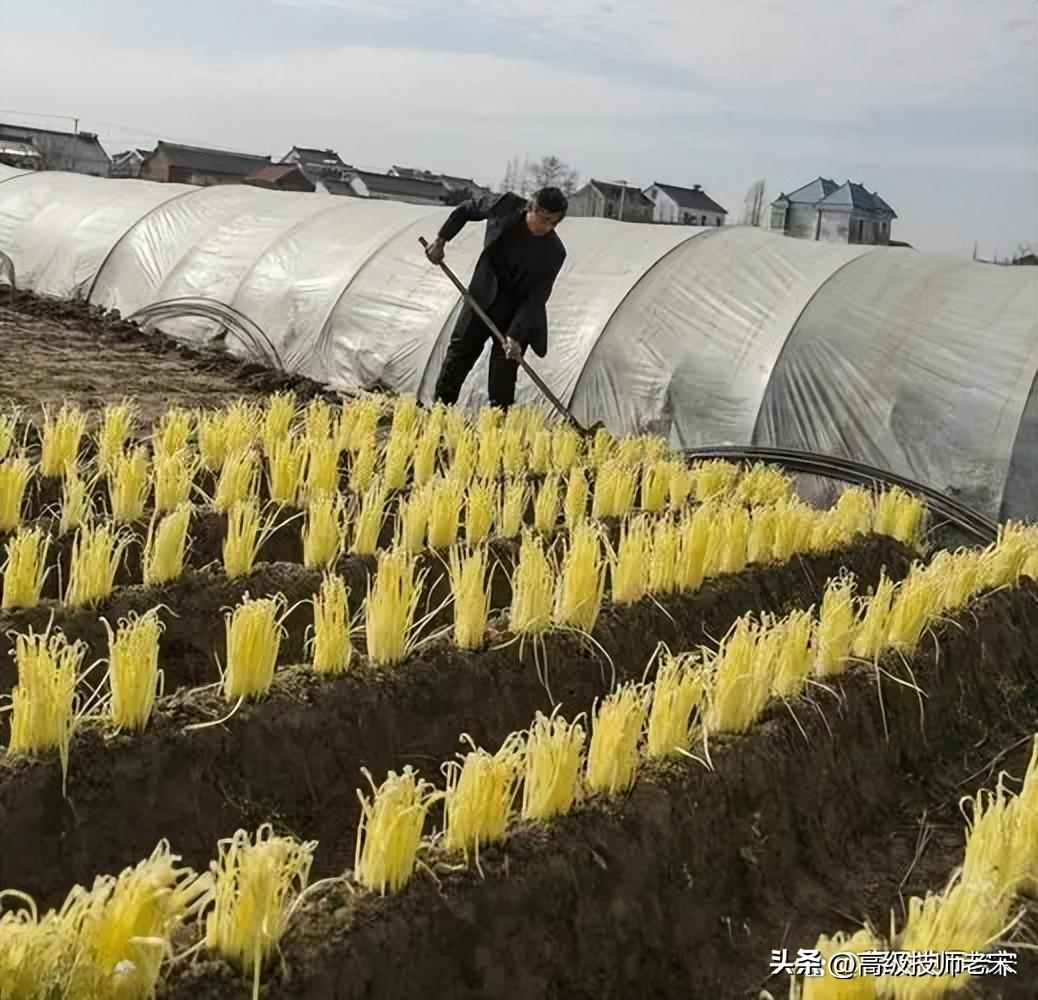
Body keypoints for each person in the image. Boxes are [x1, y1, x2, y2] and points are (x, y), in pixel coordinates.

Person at [424, 186, 567, 411]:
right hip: (483, 296)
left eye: (555, 223)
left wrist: (516, 336)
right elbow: (466, 210)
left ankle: (497, 428)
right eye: (545, 219)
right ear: (532, 207)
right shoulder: (505, 206)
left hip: (515, 315)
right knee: (459, 356)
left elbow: (536, 298)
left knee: (503, 376)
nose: (548, 227)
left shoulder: (554, 252)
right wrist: (441, 241)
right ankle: (440, 411)